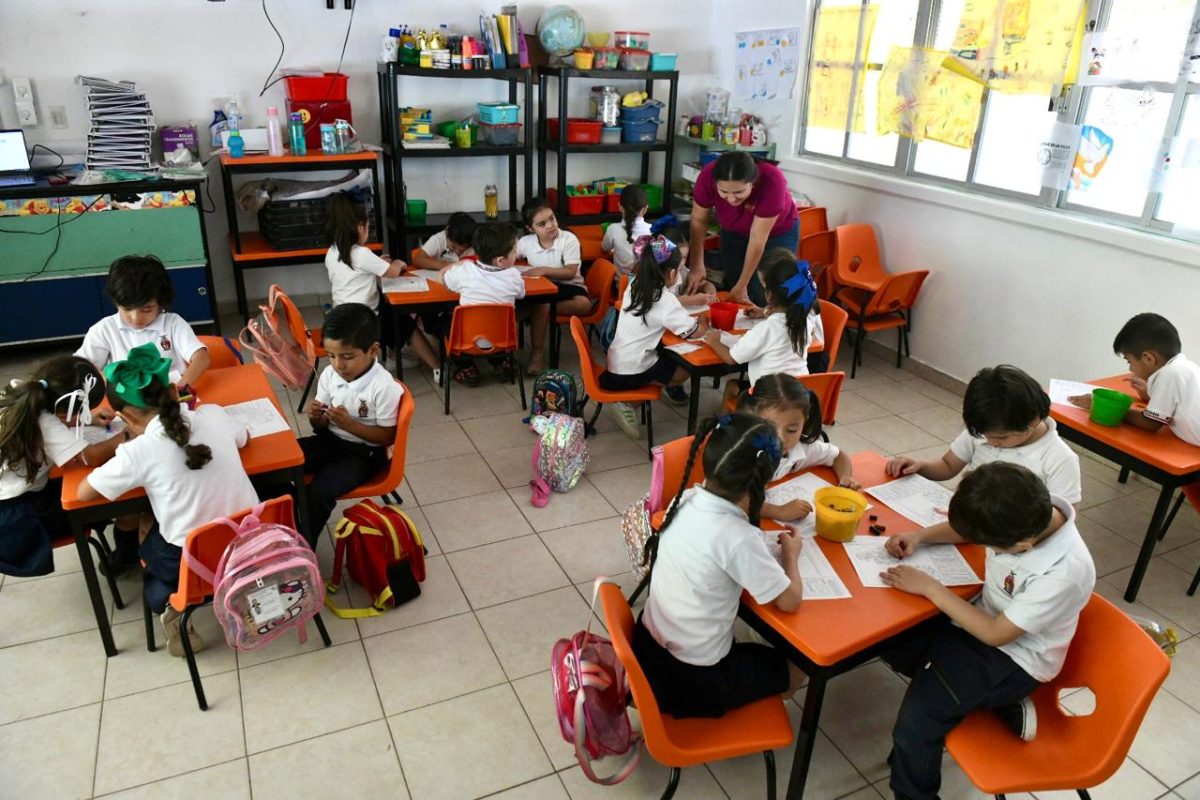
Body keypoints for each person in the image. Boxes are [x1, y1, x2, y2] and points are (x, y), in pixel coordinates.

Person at [880, 462, 1095, 800]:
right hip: (975, 623)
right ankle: (984, 703)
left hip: (1011, 657)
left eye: (992, 547)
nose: (988, 550)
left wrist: (932, 589)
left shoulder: (1064, 570)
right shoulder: (1024, 506)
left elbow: (997, 634)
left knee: (915, 728)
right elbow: (970, 528)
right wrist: (920, 536)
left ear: (1022, 544)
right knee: (887, 639)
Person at [78, 343, 259, 657]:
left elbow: (82, 493)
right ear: (176, 392)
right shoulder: (213, 415)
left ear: (124, 417)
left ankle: (174, 612)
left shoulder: (137, 452)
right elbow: (244, 437)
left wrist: (124, 440)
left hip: (191, 559)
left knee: (149, 539)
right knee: (159, 522)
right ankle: (243, 596)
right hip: (251, 543)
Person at [634, 412, 805, 718]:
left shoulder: (683, 499)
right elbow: (790, 601)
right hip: (693, 680)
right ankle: (748, 713)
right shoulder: (737, 537)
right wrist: (791, 555)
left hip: (647, 653)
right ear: (760, 483)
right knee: (799, 666)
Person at [886, 365, 1082, 520]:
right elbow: (947, 466)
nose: (991, 443)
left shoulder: (1059, 459)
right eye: (986, 436)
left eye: (1001, 438)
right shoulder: (986, 429)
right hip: (967, 524)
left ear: (1032, 420)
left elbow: (1063, 517)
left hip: (1012, 540)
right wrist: (920, 465)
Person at [0, 357, 124, 577]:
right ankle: (125, 557)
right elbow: (91, 457)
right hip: (15, 523)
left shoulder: (20, 391)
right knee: (102, 497)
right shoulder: (46, 423)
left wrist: (86, 419)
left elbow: (46, 420)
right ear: (66, 408)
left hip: (11, 504)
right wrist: (127, 433)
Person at [1069, 312, 1200, 520]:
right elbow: (1176, 405)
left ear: (1149, 358)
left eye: (1129, 361)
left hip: (1194, 458)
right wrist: (1150, 396)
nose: (1130, 368)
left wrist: (1103, 407)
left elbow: (1150, 424)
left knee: (1189, 484)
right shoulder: (1183, 368)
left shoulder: (1169, 375)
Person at [299, 303, 402, 547]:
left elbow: (387, 437)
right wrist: (317, 416)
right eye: (331, 356)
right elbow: (320, 427)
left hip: (363, 455)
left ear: (373, 350)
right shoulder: (330, 375)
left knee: (319, 493)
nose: (338, 365)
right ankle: (291, 519)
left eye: (347, 357)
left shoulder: (383, 387)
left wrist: (350, 425)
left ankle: (302, 545)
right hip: (329, 442)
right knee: (282, 464)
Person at [603, 234, 708, 438]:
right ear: (671, 274)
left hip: (617, 361)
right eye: (678, 270)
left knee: (666, 353)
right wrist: (705, 320)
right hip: (632, 370)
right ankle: (628, 403)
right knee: (686, 369)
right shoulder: (664, 299)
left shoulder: (635, 285)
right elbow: (694, 332)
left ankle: (637, 393)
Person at [324, 194, 441, 377]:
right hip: (365, 319)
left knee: (388, 310)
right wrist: (399, 263)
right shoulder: (362, 253)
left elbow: (357, 270)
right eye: (368, 227)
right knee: (405, 322)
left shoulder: (332, 252)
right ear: (360, 227)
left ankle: (395, 356)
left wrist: (377, 262)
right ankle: (437, 367)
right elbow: (392, 272)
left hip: (343, 315)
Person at [76, 254, 211, 388]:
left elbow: (201, 358)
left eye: (147, 309)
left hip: (171, 395)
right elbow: (81, 366)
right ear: (116, 302)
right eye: (127, 308)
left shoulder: (173, 323)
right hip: (125, 400)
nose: (135, 317)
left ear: (161, 302)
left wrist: (180, 389)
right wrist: (113, 383)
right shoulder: (104, 330)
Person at [738, 374, 857, 522]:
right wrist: (777, 511)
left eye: (792, 430)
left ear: (803, 423)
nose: (781, 438)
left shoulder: (798, 449)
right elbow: (729, 498)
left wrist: (845, 477)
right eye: (770, 428)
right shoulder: (740, 452)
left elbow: (838, 456)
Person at [687, 151, 800, 308]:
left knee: (765, 288)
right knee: (735, 285)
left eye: (739, 192)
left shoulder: (773, 181)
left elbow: (757, 238)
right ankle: (744, 329)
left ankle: (773, 326)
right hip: (733, 230)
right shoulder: (707, 176)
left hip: (776, 234)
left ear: (753, 183)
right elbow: (698, 221)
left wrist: (743, 284)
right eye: (724, 192)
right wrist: (696, 264)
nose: (731, 198)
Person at [704, 249, 816, 407]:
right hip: (799, 395)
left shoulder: (767, 329)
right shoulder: (802, 320)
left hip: (771, 401)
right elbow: (801, 330)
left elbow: (731, 358)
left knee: (731, 386)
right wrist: (765, 312)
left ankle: (730, 429)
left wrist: (714, 341)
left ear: (769, 295)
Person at [438, 221, 527, 386]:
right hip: (502, 341)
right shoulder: (514, 275)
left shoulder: (464, 270)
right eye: (515, 252)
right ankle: (500, 363)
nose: (517, 255)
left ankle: (466, 367)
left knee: (445, 320)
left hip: (467, 342)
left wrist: (446, 270)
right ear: (500, 261)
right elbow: (521, 294)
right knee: (505, 317)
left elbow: (446, 283)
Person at [517, 198, 592, 374]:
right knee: (541, 303)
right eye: (542, 224)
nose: (550, 225)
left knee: (582, 304)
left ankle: (536, 345)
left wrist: (543, 270)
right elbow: (508, 254)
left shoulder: (568, 239)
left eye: (552, 219)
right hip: (542, 289)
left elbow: (570, 272)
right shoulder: (526, 242)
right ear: (530, 228)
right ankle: (529, 353)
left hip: (569, 285)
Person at [659, 224, 717, 308]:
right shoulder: (653, 276)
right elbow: (661, 303)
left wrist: (710, 292)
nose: (681, 263)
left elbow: (704, 284)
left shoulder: (682, 271)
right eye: (678, 258)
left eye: (684, 257)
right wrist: (692, 300)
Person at [601, 184, 651, 276]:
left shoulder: (613, 229)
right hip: (646, 288)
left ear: (620, 206)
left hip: (620, 288)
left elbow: (604, 248)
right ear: (645, 209)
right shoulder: (655, 231)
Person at [410, 211, 477, 268]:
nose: (457, 252)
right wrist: (443, 265)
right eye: (453, 247)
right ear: (447, 231)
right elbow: (417, 260)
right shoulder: (438, 240)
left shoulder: (474, 242)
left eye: (462, 250)